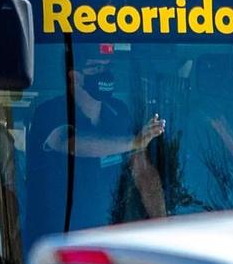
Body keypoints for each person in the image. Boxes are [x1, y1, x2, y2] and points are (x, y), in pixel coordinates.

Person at [31, 47, 166, 232]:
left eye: (108, 66)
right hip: (61, 235)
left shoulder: (119, 112)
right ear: (73, 76)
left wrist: (163, 223)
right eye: (96, 68)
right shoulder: (50, 112)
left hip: (111, 231)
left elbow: (142, 171)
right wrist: (133, 142)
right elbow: (70, 143)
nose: (105, 74)